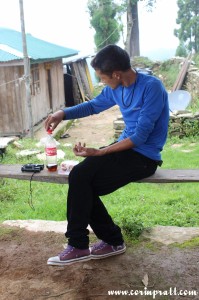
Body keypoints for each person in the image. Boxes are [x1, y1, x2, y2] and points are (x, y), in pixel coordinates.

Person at [45, 44, 169, 266]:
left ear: (116, 74)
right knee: (82, 180)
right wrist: (62, 113)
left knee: (82, 180)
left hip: (144, 158)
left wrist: (99, 152)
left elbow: (140, 137)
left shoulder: (152, 88)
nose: (102, 82)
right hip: (125, 148)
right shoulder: (116, 88)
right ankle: (110, 241)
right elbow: (93, 106)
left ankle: (80, 245)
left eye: (102, 78)